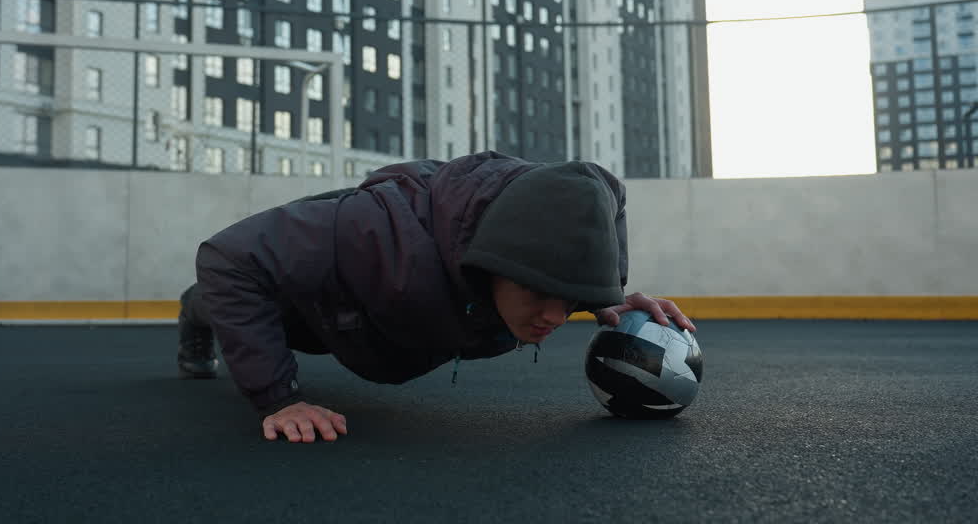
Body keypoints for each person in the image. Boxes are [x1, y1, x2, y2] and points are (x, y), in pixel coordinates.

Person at [176, 151, 697, 443]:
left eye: (567, 299)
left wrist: (601, 293)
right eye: (541, 292)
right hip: (318, 302)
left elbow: (601, 209)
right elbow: (230, 258)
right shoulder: (374, 233)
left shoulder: (530, 248)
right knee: (222, 301)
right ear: (490, 261)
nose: (555, 318)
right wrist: (278, 398)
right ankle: (193, 315)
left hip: (395, 319)